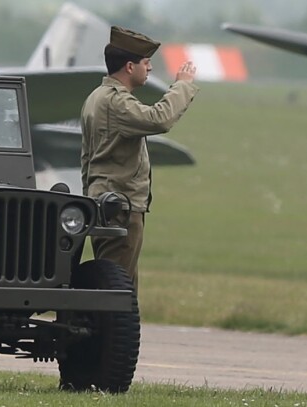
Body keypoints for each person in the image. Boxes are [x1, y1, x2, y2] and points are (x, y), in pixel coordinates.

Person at [81, 26, 198, 292]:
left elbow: (86, 158)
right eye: (146, 63)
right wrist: (182, 85)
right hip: (120, 206)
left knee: (113, 281)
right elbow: (159, 119)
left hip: (105, 201)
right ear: (130, 67)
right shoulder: (116, 102)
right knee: (119, 288)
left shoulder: (96, 98)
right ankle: (115, 333)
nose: (150, 68)